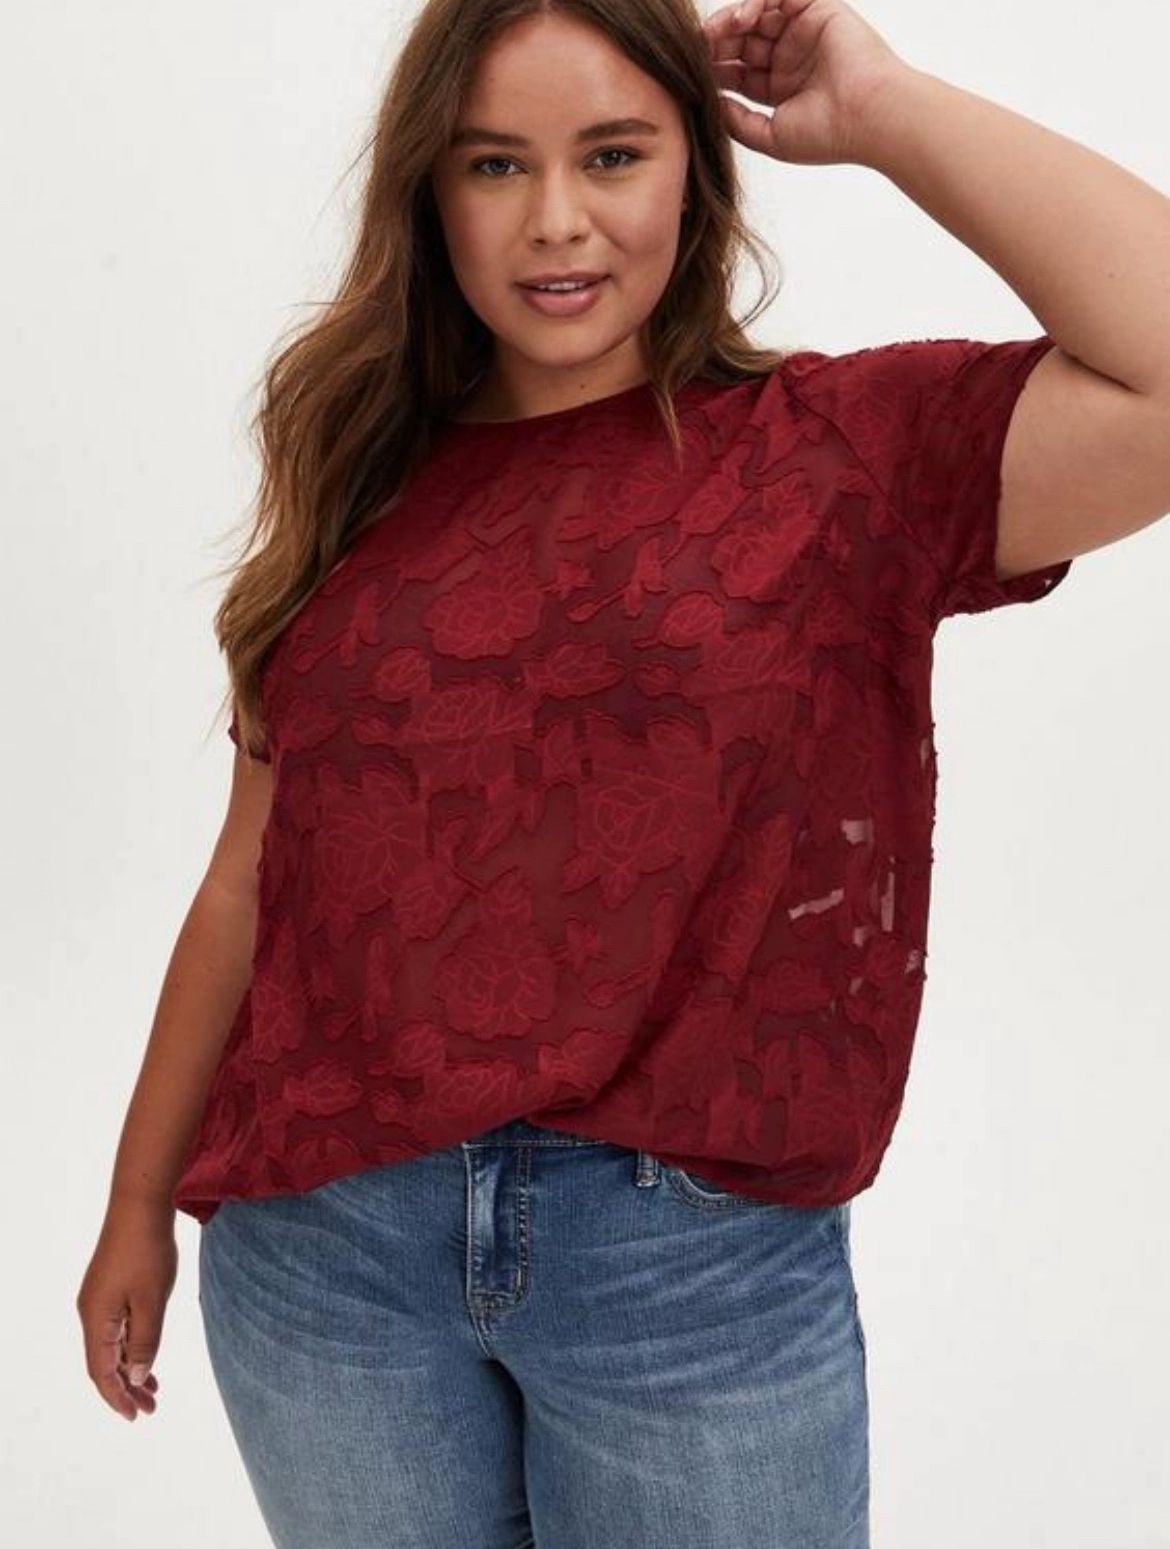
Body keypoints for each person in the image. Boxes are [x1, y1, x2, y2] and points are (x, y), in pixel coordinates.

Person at [77, 1, 1170, 1545]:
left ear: (695, 174)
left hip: (689, 1276)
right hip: (324, 1257)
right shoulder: (359, 475)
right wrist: (138, 1202)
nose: (555, 219)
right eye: (494, 164)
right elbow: (250, 882)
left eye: (610, 155)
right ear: (426, 193)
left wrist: (887, 109)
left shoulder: (838, 458)